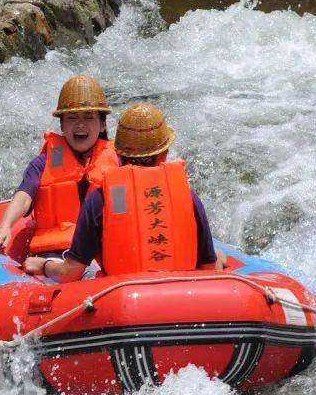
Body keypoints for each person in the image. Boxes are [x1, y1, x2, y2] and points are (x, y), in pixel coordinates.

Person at [24, 102, 220, 282]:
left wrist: (45, 265)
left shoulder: (100, 199)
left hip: (120, 298)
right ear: (164, 154)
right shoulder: (188, 196)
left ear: (118, 154)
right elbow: (208, 268)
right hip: (182, 295)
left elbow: (70, 273)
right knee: (219, 256)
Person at [0, 74, 120, 256]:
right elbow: (24, 196)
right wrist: (5, 225)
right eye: (72, 118)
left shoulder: (119, 161)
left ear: (102, 125)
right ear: (62, 125)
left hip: (101, 252)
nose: (80, 124)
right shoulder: (43, 163)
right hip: (56, 253)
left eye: (89, 117)